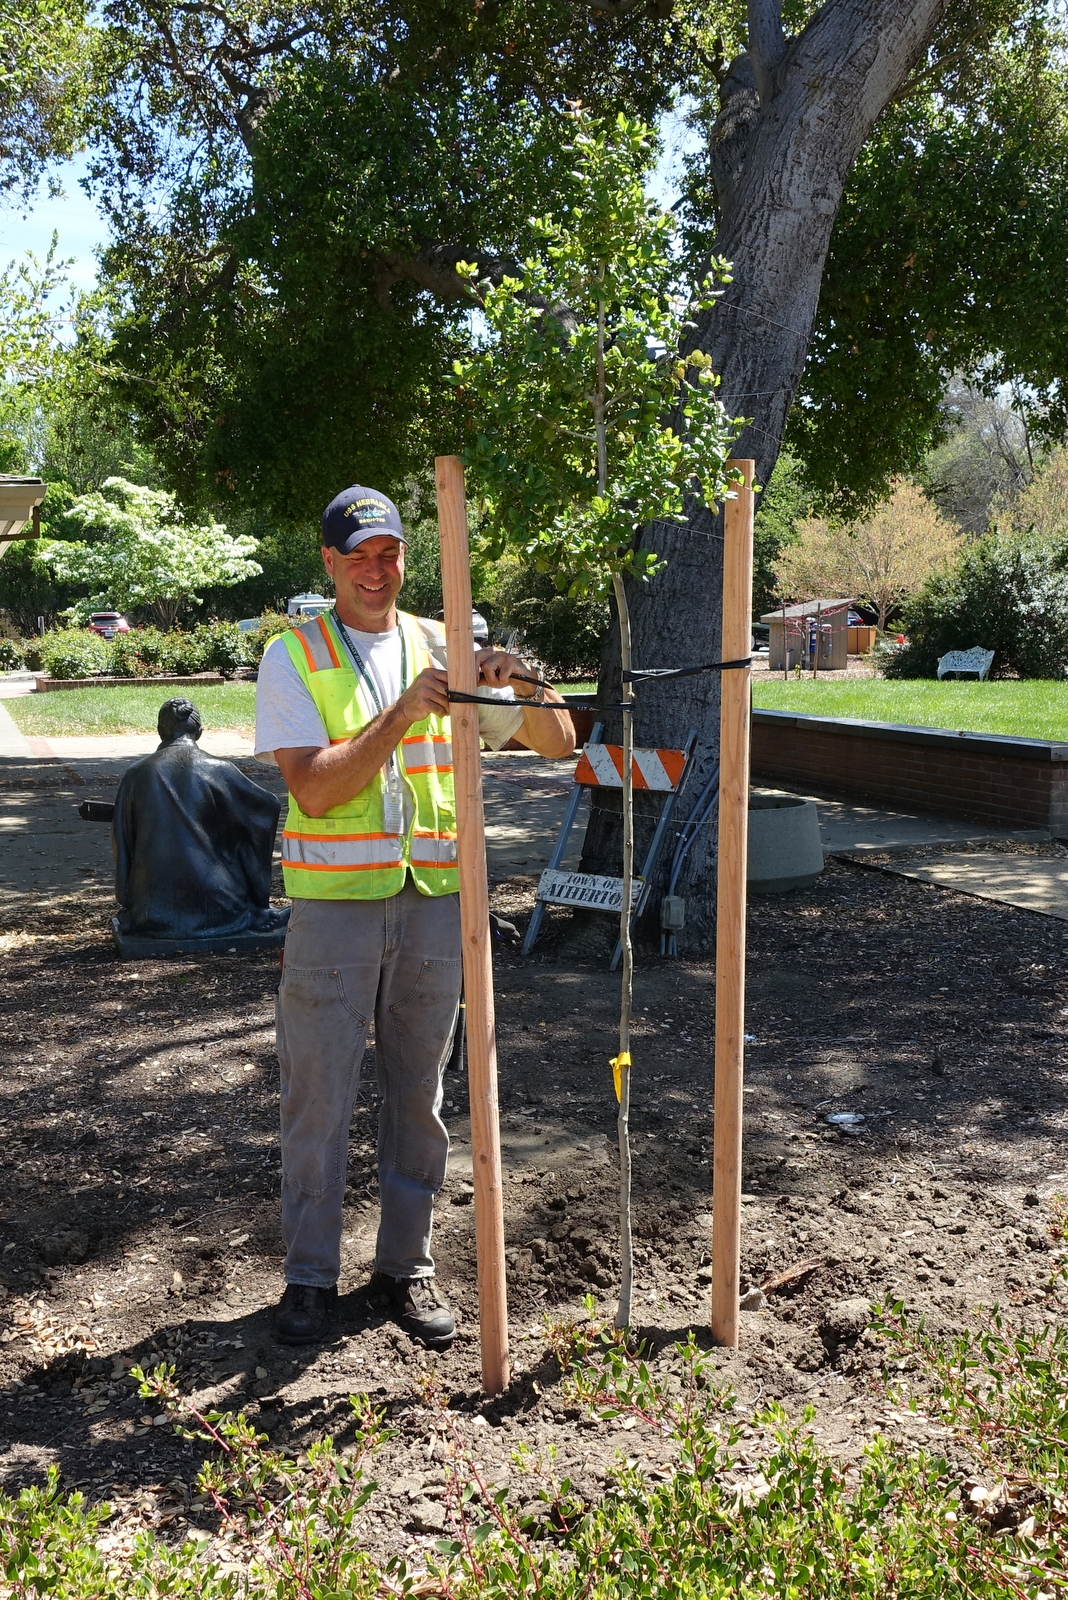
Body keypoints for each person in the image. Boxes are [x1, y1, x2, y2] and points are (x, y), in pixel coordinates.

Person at [255, 485, 574, 1347]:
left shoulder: (449, 642)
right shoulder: (296, 656)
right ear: (328, 563)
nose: (375, 569)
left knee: (420, 1098)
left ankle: (406, 1267)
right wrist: (401, 714)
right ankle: (309, 1278)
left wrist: (520, 684)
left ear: (406, 556)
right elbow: (315, 787)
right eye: (357, 554)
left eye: (389, 552)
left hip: (436, 904)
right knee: (318, 1096)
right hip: (332, 910)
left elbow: (560, 743)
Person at [113, 697, 288, 947]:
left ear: (161, 731)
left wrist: (131, 901)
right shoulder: (220, 770)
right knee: (244, 832)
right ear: (199, 732)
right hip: (218, 907)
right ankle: (256, 911)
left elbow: (123, 841)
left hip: (151, 910)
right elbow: (265, 809)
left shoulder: (136, 774)